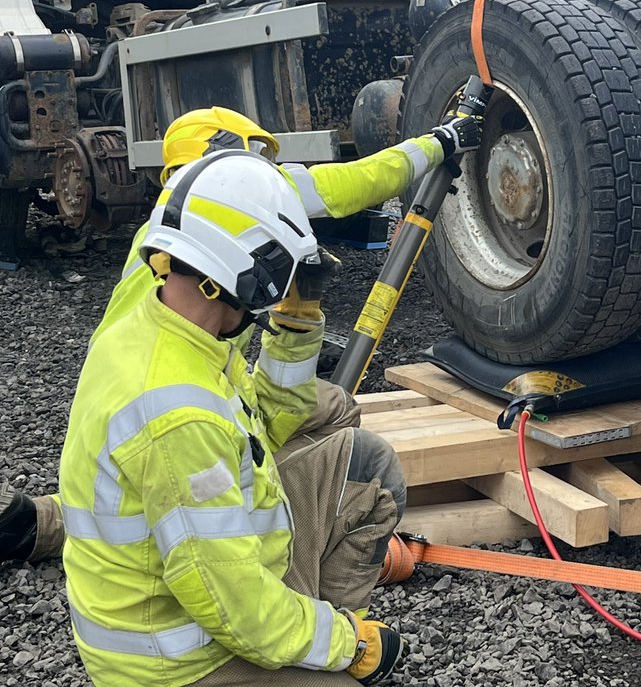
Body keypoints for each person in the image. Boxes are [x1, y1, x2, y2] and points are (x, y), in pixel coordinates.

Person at [1, 103, 481, 563]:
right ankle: (260, 520)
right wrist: (443, 141)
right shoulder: (233, 207)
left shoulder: (164, 234)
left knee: (320, 407)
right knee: (194, 461)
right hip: (182, 400)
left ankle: (52, 521)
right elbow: (364, 178)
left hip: (142, 400)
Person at [60, 150, 411, 687]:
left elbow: (269, 427)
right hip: (176, 655)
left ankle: (302, 661)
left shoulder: (170, 325)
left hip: (214, 578)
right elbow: (235, 607)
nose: (273, 297)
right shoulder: (176, 413)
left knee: (363, 467)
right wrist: (347, 646)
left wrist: (297, 326)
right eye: (278, 283)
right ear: (239, 272)